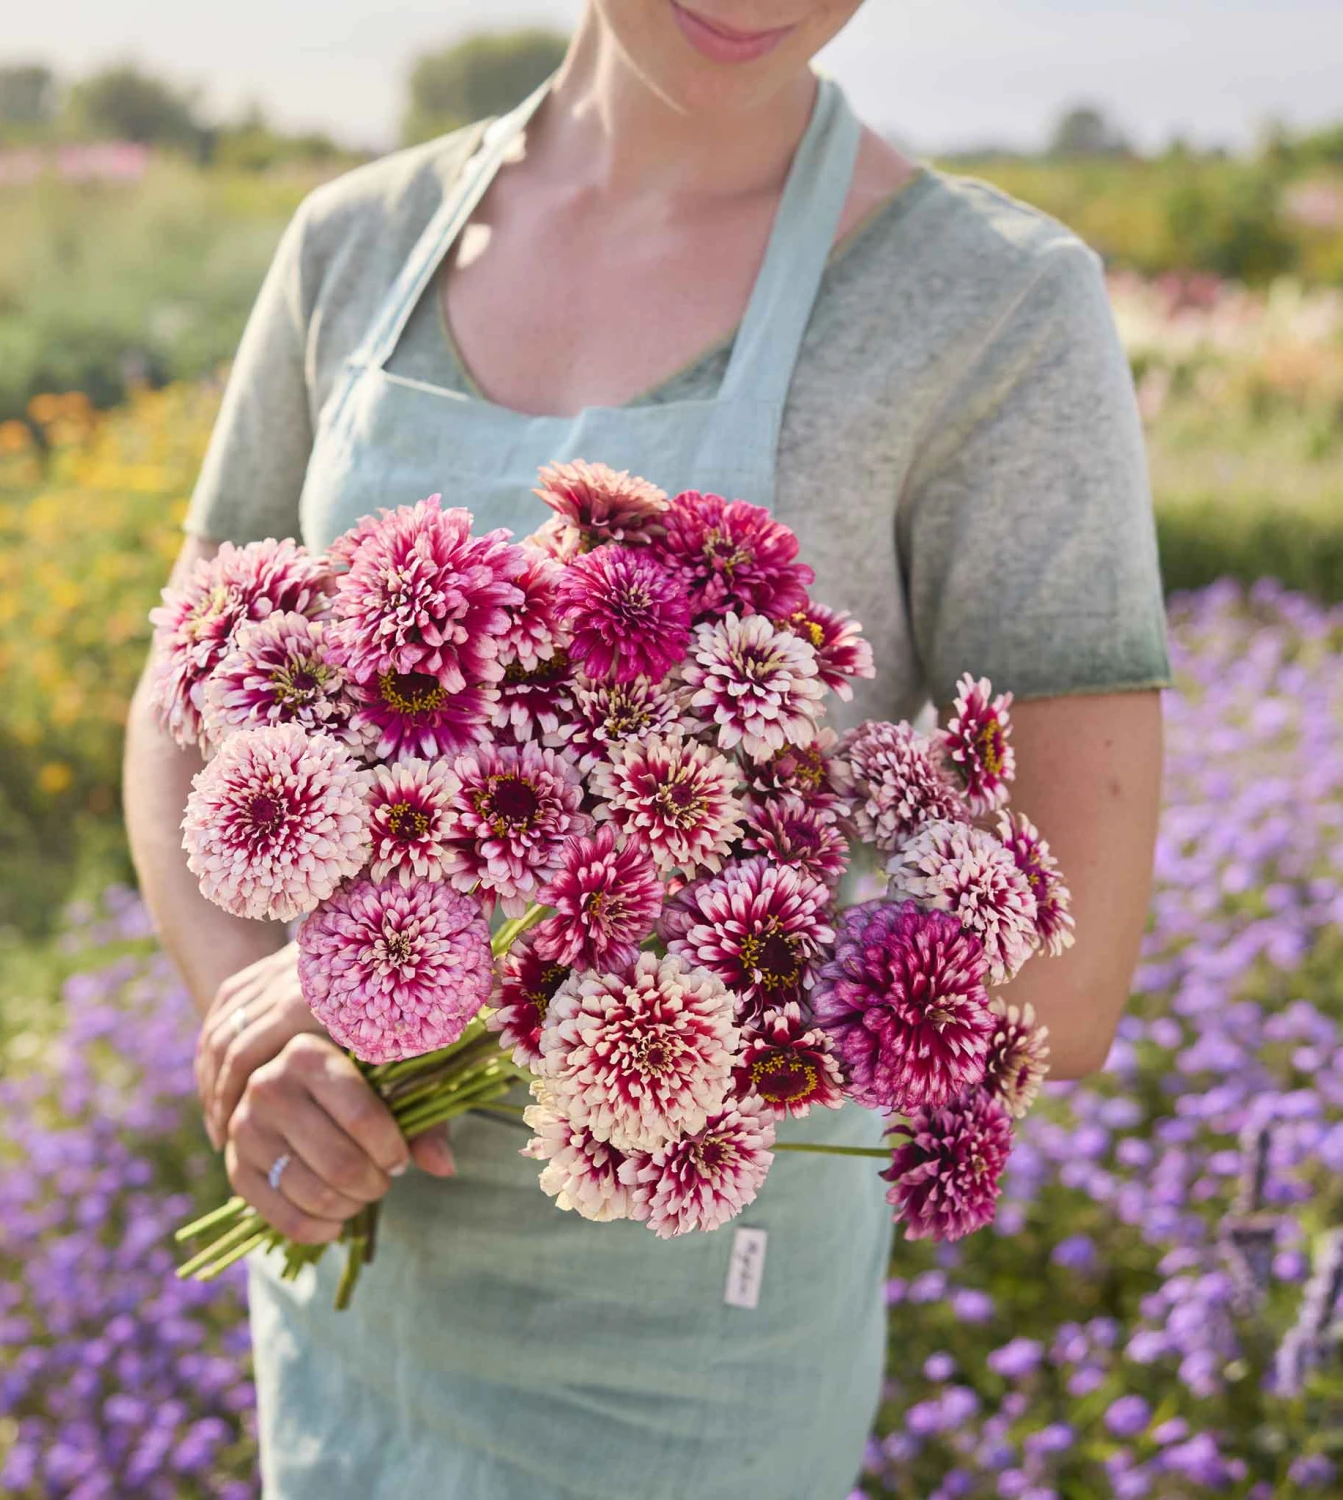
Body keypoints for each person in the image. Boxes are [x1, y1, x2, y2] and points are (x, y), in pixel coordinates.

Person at [123, 2, 1168, 1494]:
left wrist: (489, 974)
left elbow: (1064, 982)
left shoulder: (990, 307)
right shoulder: (353, 244)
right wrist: (256, 1013)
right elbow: (184, 688)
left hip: (699, 1360)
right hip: (359, 1317)